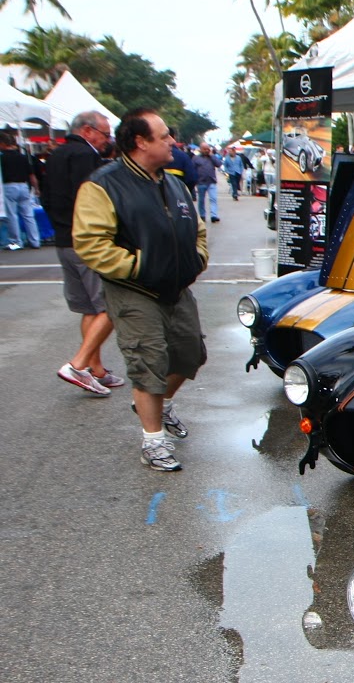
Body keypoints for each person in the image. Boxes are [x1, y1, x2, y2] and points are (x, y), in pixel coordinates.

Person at [73, 109, 208, 472]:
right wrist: (142, 266)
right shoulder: (103, 185)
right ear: (140, 142)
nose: (172, 142)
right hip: (135, 290)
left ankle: (157, 404)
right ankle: (153, 441)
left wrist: (196, 259)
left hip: (177, 288)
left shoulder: (173, 182)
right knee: (148, 363)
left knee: (190, 355)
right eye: (164, 136)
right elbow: (90, 244)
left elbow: (197, 229)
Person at [43, 110, 121, 396]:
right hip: (86, 240)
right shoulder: (86, 157)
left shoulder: (54, 155)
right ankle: (79, 364)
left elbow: (45, 197)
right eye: (104, 133)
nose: (106, 140)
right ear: (88, 131)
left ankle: (95, 370)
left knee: (89, 307)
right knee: (110, 305)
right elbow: (93, 199)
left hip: (63, 239)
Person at [1, 130, 42, 250]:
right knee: (28, 215)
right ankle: (35, 241)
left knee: (12, 215)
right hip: (24, 186)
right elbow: (32, 175)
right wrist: (36, 188)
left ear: (3, 143)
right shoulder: (23, 157)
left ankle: (16, 242)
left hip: (9, 186)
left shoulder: (2, 158)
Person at [194, 142, 222, 223]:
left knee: (213, 199)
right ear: (200, 149)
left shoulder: (212, 157)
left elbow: (219, 164)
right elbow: (193, 169)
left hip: (211, 181)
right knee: (201, 200)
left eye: (207, 149)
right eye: (204, 149)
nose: (206, 150)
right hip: (201, 182)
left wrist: (212, 155)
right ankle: (202, 215)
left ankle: (214, 215)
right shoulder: (196, 158)